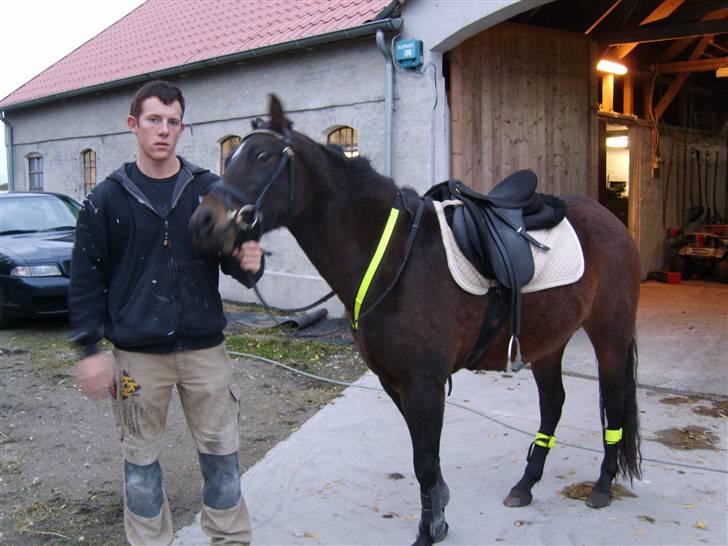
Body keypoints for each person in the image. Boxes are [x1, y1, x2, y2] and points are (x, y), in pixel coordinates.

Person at [70, 80, 261, 546]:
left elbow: (238, 264)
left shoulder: (208, 191)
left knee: (222, 456)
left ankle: (230, 538)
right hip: (137, 358)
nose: (163, 131)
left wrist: (250, 262)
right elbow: (86, 279)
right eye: (154, 120)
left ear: (183, 128)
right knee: (140, 463)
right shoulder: (106, 200)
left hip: (204, 352)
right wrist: (90, 349)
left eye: (172, 122)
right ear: (133, 125)